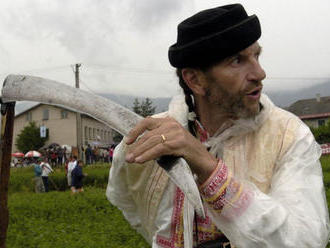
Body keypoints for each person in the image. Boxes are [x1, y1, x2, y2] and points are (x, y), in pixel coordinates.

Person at [106, 4, 330, 248]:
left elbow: (304, 240)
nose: (260, 73)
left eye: (257, 55)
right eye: (237, 60)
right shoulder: (149, 140)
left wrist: (209, 169)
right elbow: (132, 207)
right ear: (195, 80)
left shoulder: (288, 135)